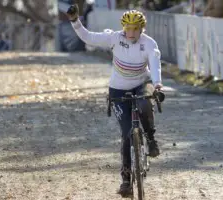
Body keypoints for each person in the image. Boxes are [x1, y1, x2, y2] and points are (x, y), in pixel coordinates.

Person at [66, 4, 163, 197]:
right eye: (128, 28)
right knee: (127, 134)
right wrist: (75, 21)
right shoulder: (114, 38)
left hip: (141, 83)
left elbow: (155, 63)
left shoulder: (149, 43)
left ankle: (151, 140)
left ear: (141, 29)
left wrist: (158, 85)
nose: (131, 32)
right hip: (118, 88)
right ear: (123, 28)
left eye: (135, 29)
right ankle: (126, 180)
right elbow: (88, 37)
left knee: (144, 103)